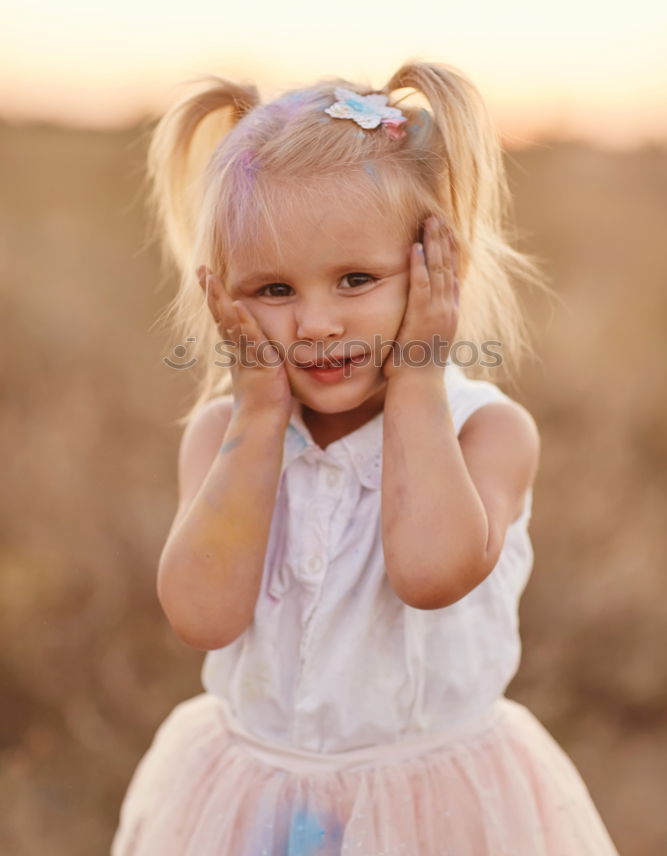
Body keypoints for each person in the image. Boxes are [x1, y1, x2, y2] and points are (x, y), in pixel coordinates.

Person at [111, 62, 620, 854]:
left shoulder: (485, 433)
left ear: (431, 266)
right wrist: (256, 414)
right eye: (272, 291)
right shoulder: (223, 437)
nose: (314, 322)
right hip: (258, 802)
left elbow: (428, 573)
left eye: (355, 279)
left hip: (432, 810)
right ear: (222, 296)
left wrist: (417, 375)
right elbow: (202, 618)